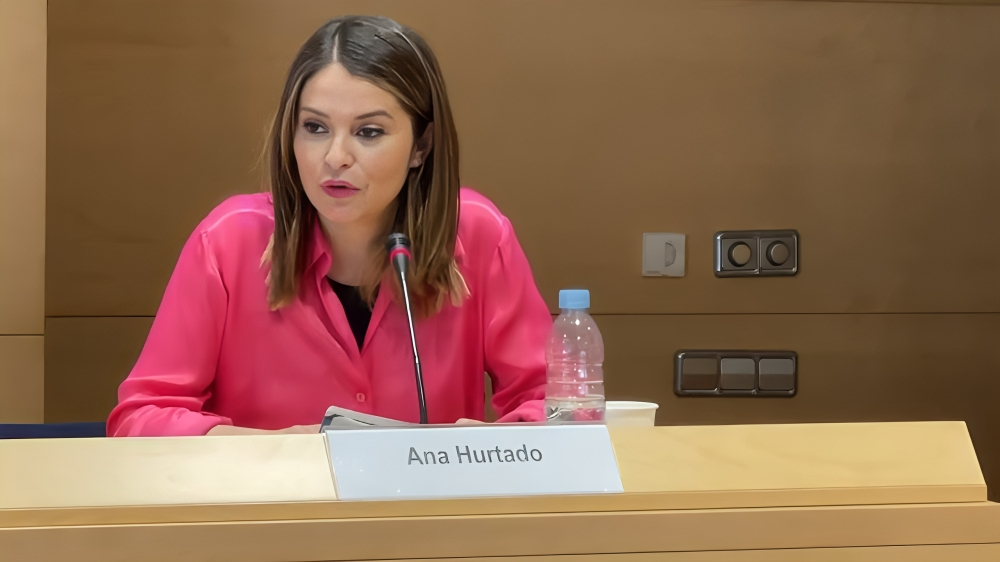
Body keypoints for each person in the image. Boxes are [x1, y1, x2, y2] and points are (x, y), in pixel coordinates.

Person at [106, 15, 551, 436]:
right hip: (275, 495)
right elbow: (140, 418)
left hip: (427, 495)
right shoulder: (227, 242)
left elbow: (555, 404)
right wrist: (269, 448)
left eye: (368, 132)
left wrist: (491, 446)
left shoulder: (477, 235)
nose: (336, 157)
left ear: (422, 145)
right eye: (315, 127)